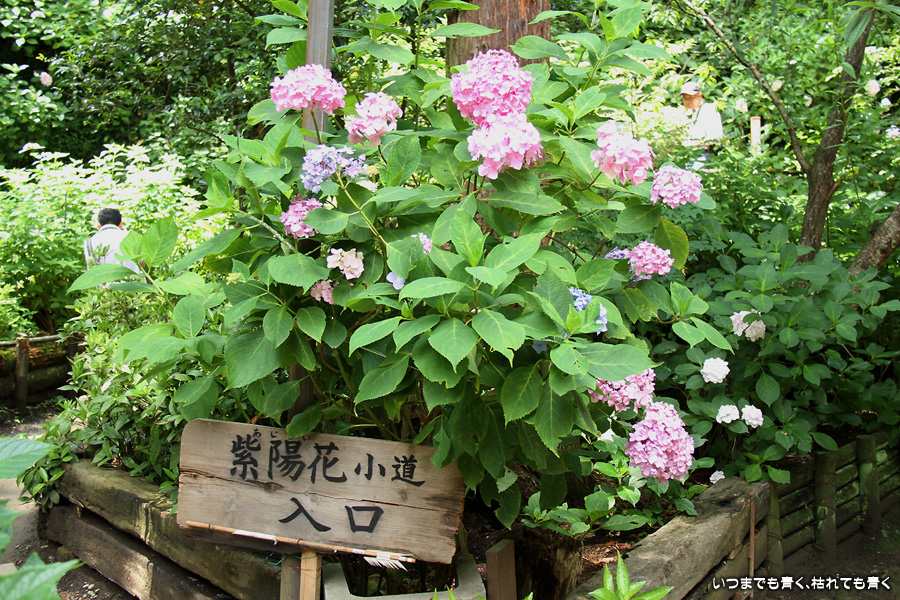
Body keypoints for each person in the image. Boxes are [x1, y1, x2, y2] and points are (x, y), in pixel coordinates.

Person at [83, 208, 141, 274]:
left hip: (104, 280)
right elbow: (141, 264)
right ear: (121, 223)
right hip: (132, 279)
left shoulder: (89, 242)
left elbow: (91, 267)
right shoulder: (131, 237)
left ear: (98, 225)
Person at [679, 81, 723, 151]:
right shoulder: (687, 114)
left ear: (700, 96)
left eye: (691, 97)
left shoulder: (708, 110)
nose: (688, 101)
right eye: (685, 98)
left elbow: (714, 139)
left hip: (705, 153)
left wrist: (693, 144)